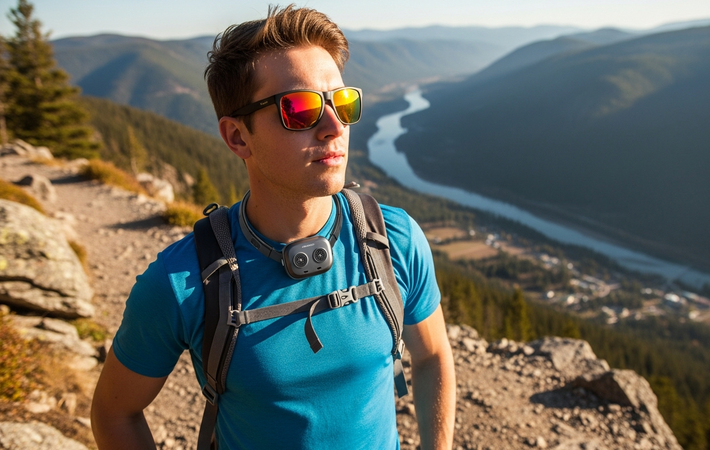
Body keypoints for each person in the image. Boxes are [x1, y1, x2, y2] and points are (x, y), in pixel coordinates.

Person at [90, 5, 456, 450]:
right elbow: (114, 414)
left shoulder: (392, 240)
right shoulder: (181, 283)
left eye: (343, 103)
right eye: (299, 110)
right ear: (237, 137)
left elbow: (433, 356)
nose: (333, 126)